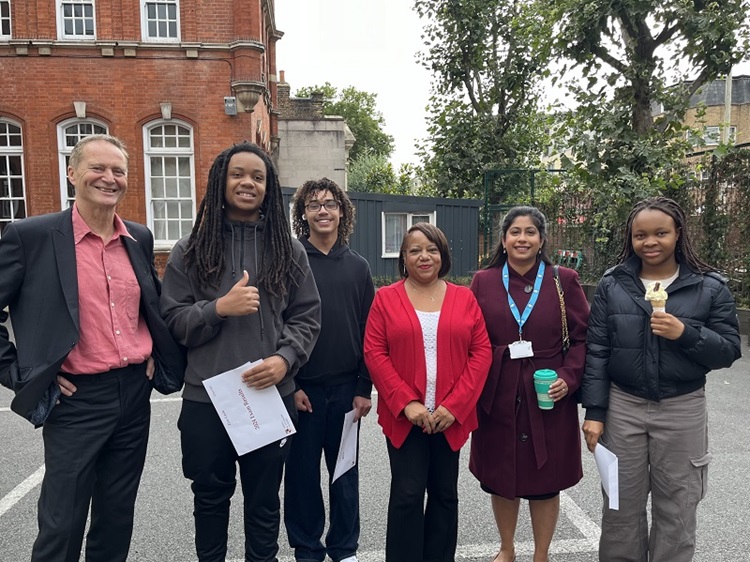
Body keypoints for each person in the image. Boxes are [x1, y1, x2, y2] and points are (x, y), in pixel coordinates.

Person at [0, 134, 186, 562]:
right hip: (75, 400)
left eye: (118, 170)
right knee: (62, 524)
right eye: (97, 168)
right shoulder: (31, 236)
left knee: (116, 518)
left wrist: (157, 352)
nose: (109, 178)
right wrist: (18, 374)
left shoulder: (137, 237)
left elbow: (148, 308)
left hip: (134, 393)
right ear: (72, 173)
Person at [160, 142, 321, 562]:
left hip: (270, 394)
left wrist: (285, 358)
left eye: (258, 177)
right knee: (210, 501)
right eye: (238, 174)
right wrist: (217, 309)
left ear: (269, 188)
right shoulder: (191, 249)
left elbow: (307, 316)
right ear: (220, 181)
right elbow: (173, 320)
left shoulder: (289, 249)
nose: (247, 182)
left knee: (265, 503)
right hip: (206, 400)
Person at [581, 196, 742, 562]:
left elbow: (729, 350)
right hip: (623, 406)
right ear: (631, 239)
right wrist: (595, 410)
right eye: (640, 235)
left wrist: (684, 332)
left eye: (660, 233)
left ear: (678, 234)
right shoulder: (614, 283)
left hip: (682, 408)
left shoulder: (709, 286)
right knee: (620, 507)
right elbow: (598, 349)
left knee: (678, 510)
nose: (650, 242)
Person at [364, 222, 492, 562]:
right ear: (403, 258)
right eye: (415, 250)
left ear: (443, 255)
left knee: (445, 495)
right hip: (407, 418)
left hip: (449, 417)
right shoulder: (385, 299)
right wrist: (407, 404)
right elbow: (375, 353)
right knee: (406, 495)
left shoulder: (464, 298)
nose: (424, 256)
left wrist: (456, 406)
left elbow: (481, 353)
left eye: (432, 249)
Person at [469, 206, 589, 562]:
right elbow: (470, 339)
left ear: (542, 240)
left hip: (549, 391)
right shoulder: (483, 281)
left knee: (544, 481)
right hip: (498, 392)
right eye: (515, 232)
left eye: (530, 232)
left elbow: (583, 339)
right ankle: (506, 548)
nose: (522, 238)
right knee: (501, 478)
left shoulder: (563, 279)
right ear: (503, 240)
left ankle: (541, 554)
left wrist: (569, 378)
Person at [283, 177, 375, 562]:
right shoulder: (289, 262)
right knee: (302, 477)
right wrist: (289, 384)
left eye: (330, 203)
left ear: (342, 212)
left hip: (345, 392)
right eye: (314, 204)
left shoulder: (358, 267)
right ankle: (307, 548)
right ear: (303, 214)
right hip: (301, 391)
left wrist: (363, 388)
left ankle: (343, 548)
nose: (323, 210)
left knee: (344, 476)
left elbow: (372, 334)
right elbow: (276, 324)